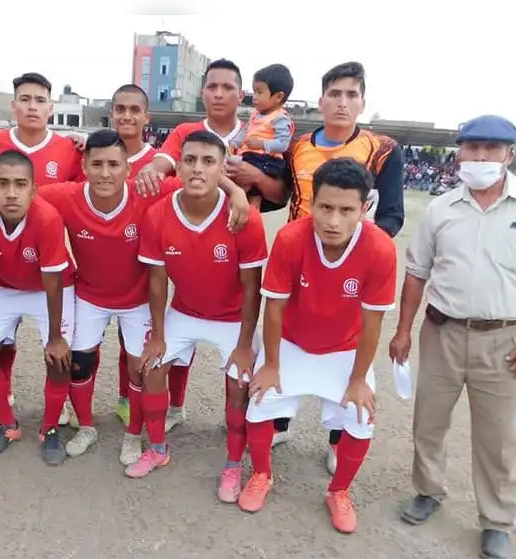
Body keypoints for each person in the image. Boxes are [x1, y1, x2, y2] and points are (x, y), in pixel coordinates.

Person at [0, 129, 252, 463]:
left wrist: (237, 193)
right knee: (78, 363)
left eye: (114, 165)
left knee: (140, 369)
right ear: (84, 167)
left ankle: (133, 435)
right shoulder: (66, 195)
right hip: (88, 296)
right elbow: (22, 188)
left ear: (128, 169)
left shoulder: (147, 190)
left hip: (138, 300)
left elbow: (201, 179)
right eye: (97, 164)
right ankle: (86, 426)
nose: (106, 173)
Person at [390, 115, 516, 559]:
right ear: (460, 153)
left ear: (510, 155)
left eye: (492, 148)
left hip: (504, 339)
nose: (481, 157)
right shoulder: (441, 208)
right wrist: (404, 329)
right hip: (442, 332)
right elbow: (417, 273)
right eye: (472, 148)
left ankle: (497, 522)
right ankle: (428, 491)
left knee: (501, 438)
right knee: (429, 422)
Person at [265, 61, 406, 469]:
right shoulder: (298, 146)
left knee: (343, 345)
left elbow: (392, 215)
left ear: (362, 102)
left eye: (351, 95)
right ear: (322, 99)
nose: (342, 103)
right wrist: (249, 189)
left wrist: (357, 254)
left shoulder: (382, 150)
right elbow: (280, 196)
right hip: (298, 264)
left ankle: (336, 437)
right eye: (334, 94)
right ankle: (278, 424)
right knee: (289, 337)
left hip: (349, 269)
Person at [244, 158, 396, 532]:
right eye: (325, 208)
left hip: (344, 350)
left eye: (347, 210)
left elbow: (372, 322)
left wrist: (359, 378)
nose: (333, 221)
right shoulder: (291, 238)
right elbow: (274, 306)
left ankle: (338, 491)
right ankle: (262, 474)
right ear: (312, 203)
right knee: (260, 402)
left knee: (362, 417)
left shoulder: (380, 249)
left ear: (365, 208)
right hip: (293, 343)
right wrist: (272, 364)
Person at [134, 130, 268, 490]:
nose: (197, 169)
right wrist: (158, 336)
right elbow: (158, 281)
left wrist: (244, 344)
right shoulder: (158, 214)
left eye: (208, 162)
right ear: (177, 165)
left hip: (231, 319)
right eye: (190, 160)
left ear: (222, 169)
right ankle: (158, 448)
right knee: (151, 366)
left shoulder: (244, 218)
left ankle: (233, 464)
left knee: (239, 383)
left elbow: (252, 288)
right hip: (185, 311)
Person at [0, 71, 85, 422]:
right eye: (25, 99)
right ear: (14, 104)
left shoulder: (69, 148)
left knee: (55, 347)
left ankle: (59, 403)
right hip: (3, 267)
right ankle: (2, 392)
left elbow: (82, 197)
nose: (32, 106)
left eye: (39, 100)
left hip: (48, 265)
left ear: (51, 108)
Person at [0, 150, 77, 466]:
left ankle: (50, 429)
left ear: (33, 189)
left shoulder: (47, 218)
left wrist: (54, 336)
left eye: (20, 184)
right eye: (3, 183)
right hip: (4, 286)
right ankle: (6, 425)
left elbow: (52, 280)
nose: (11, 193)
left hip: (49, 290)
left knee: (59, 357)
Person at [107, 83, 197, 431]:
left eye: (134, 110)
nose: (126, 116)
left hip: (152, 270)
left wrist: (234, 194)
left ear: (146, 117)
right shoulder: (97, 154)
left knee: (157, 341)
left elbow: (196, 188)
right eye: (120, 109)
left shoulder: (160, 165)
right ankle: (125, 400)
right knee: (117, 340)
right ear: (112, 113)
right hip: (108, 267)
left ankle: (176, 405)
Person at [136, 58, 287, 208]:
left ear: (241, 96)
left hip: (239, 227)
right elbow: (160, 165)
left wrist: (257, 177)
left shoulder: (262, 134)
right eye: (212, 87)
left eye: (227, 87)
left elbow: (281, 196)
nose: (218, 94)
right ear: (202, 94)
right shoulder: (184, 132)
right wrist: (151, 170)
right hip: (189, 226)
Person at [228, 64, 295, 209]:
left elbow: (283, 143)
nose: (254, 97)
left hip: (267, 160)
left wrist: (261, 144)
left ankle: (252, 211)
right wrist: (234, 143)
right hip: (251, 156)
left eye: (259, 92)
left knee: (247, 184)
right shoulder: (256, 115)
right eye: (254, 92)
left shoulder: (280, 118)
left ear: (278, 97)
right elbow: (244, 132)